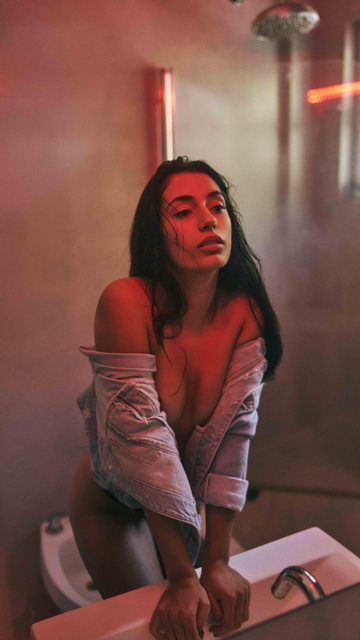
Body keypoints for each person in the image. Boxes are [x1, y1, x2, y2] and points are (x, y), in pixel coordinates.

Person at [69, 156, 283, 640]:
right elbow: (144, 446)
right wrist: (185, 576)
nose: (208, 219)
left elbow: (235, 435)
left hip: (186, 501)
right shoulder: (126, 302)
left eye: (217, 206)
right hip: (112, 504)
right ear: (156, 237)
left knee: (215, 613)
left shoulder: (245, 312)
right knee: (159, 630)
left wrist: (218, 560)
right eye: (184, 212)